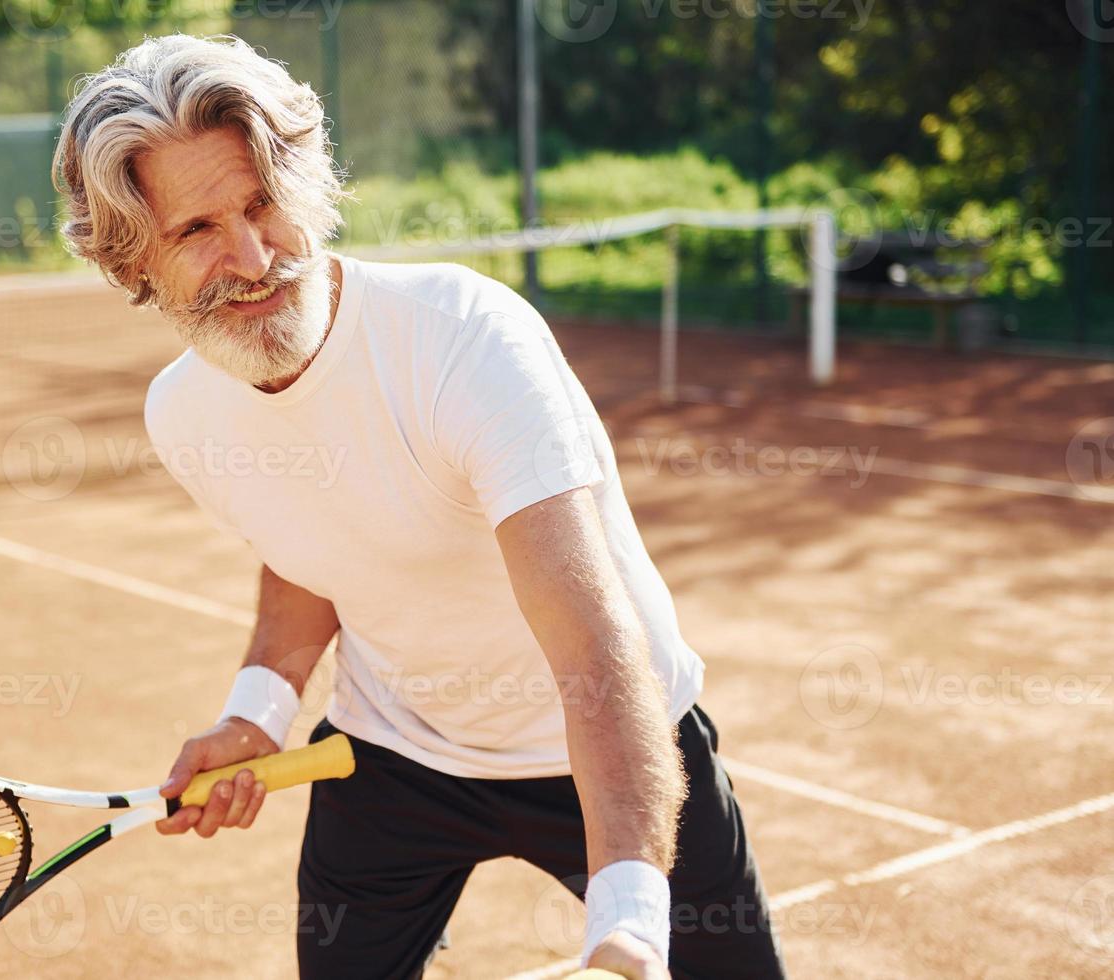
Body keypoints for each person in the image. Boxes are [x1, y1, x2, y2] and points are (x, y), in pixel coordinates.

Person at [53, 33, 787, 980]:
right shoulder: (182, 412)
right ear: (133, 265)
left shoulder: (464, 342)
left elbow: (593, 648)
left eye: (264, 204)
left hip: (602, 745)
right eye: (195, 231)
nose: (249, 255)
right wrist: (257, 716)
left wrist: (632, 931)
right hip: (393, 758)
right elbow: (310, 546)